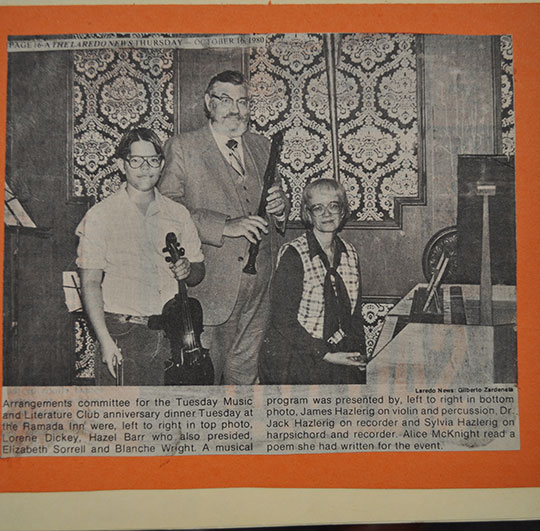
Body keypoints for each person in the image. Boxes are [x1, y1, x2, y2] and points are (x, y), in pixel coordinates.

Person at [159, 70, 289, 385]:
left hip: (259, 290)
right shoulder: (183, 146)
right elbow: (165, 209)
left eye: (243, 102)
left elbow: (277, 194)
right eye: (225, 100)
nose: (235, 110)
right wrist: (225, 225)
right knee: (204, 384)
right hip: (209, 290)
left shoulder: (261, 145)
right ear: (208, 103)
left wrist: (281, 206)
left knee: (245, 379)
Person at [76, 128, 205, 385]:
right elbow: (90, 283)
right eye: (136, 160)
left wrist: (188, 269)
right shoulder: (101, 215)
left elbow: (199, 271)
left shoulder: (178, 213)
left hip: (172, 336)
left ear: (162, 164)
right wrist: (105, 341)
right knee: (124, 422)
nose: (145, 168)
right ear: (122, 164)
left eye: (153, 160)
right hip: (123, 334)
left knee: (167, 421)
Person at [259, 178, 367, 385]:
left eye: (333, 206)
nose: (327, 214)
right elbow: (283, 320)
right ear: (308, 214)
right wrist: (324, 354)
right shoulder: (294, 255)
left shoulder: (350, 254)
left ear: (343, 211)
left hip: (338, 354)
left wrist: (358, 355)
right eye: (318, 208)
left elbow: (355, 316)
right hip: (298, 358)